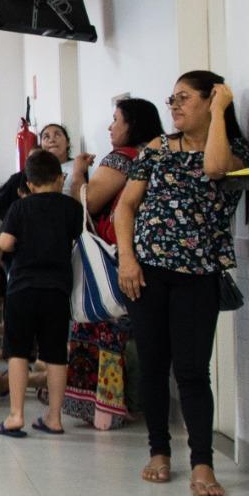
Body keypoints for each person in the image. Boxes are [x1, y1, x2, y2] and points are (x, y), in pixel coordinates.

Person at [116, 72, 248, 496]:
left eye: (185, 98)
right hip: (147, 273)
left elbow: (213, 168)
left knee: (192, 371)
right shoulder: (154, 150)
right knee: (154, 366)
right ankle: (158, 451)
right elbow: (126, 207)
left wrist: (222, 110)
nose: (173, 106)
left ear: (212, 101)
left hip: (199, 276)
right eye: (171, 98)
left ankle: (203, 463)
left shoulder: (231, 149)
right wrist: (127, 259)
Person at [63, 97, 163, 429]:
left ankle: (104, 407)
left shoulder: (123, 158)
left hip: (111, 255)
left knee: (102, 325)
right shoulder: (159, 156)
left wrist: (78, 173)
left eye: (116, 119)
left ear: (132, 124)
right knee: (134, 335)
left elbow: (86, 204)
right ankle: (127, 403)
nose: (110, 126)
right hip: (146, 254)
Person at [0, 150, 82, 437]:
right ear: (59, 178)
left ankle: (16, 415)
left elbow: (5, 243)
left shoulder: (20, 208)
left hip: (22, 289)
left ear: (29, 184)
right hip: (57, 290)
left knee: (17, 351)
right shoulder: (71, 208)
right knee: (56, 354)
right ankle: (54, 418)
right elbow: (77, 236)